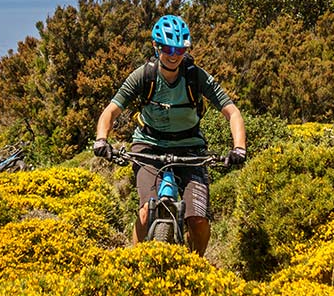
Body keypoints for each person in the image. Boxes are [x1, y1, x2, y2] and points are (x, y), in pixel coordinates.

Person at [92, 14, 246, 254]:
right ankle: (134, 263)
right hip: (148, 146)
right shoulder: (144, 76)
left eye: (180, 50)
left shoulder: (195, 76)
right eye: (167, 49)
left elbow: (232, 112)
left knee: (198, 220)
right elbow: (110, 112)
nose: (173, 55)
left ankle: (196, 264)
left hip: (190, 148)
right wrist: (101, 140)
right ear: (156, 46)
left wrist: (239, 148)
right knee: (146, 212)